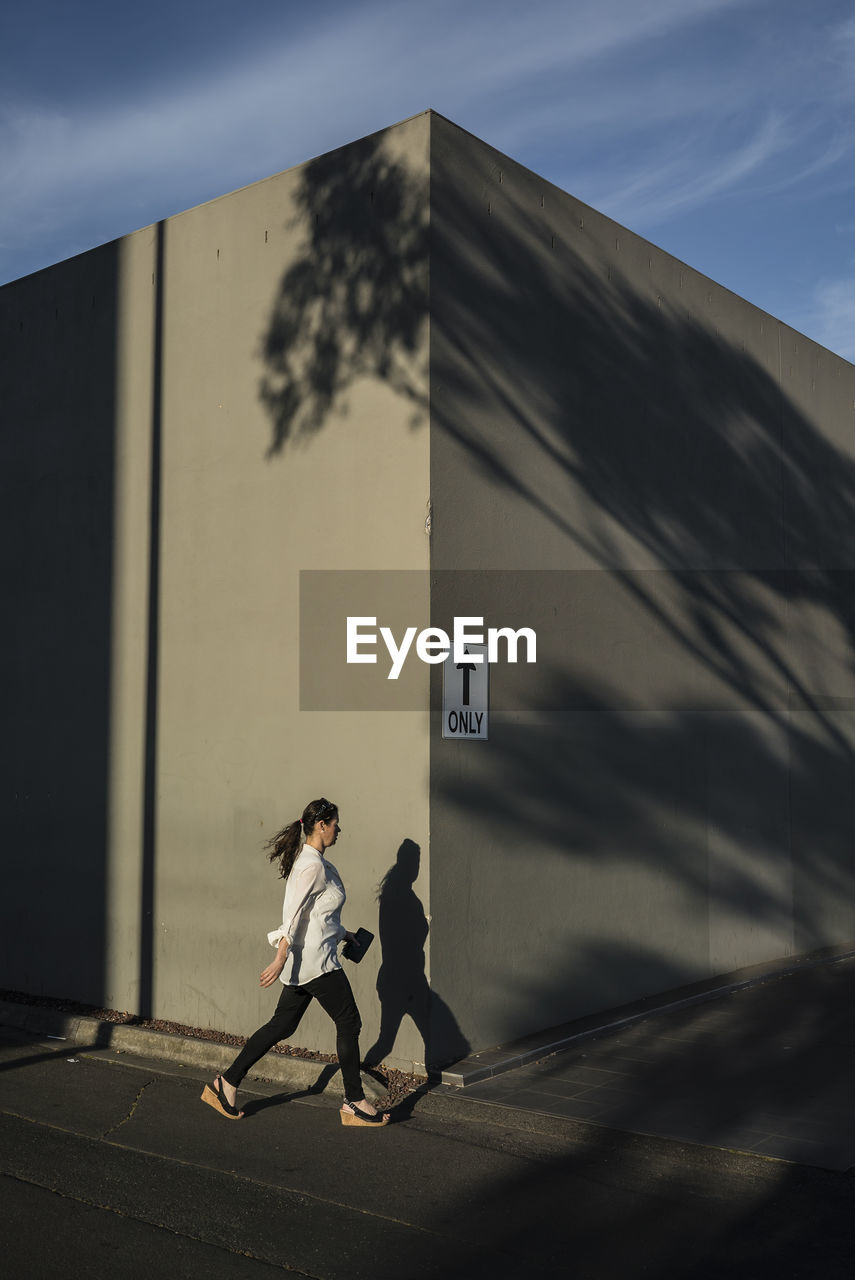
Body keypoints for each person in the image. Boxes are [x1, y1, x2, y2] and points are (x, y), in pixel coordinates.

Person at [201, 797, 389, 1126]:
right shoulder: (312, 865)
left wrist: (345, 934)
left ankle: (227, 1083)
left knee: (282, 1026)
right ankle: (355, 1102)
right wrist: (280, 955)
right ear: (321, 825)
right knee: (349, 1023)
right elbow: (293, 914)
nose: (338, 830)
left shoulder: (316, 861)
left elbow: (317, 913)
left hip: (307, 960)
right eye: (335, 824)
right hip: (316, 963)